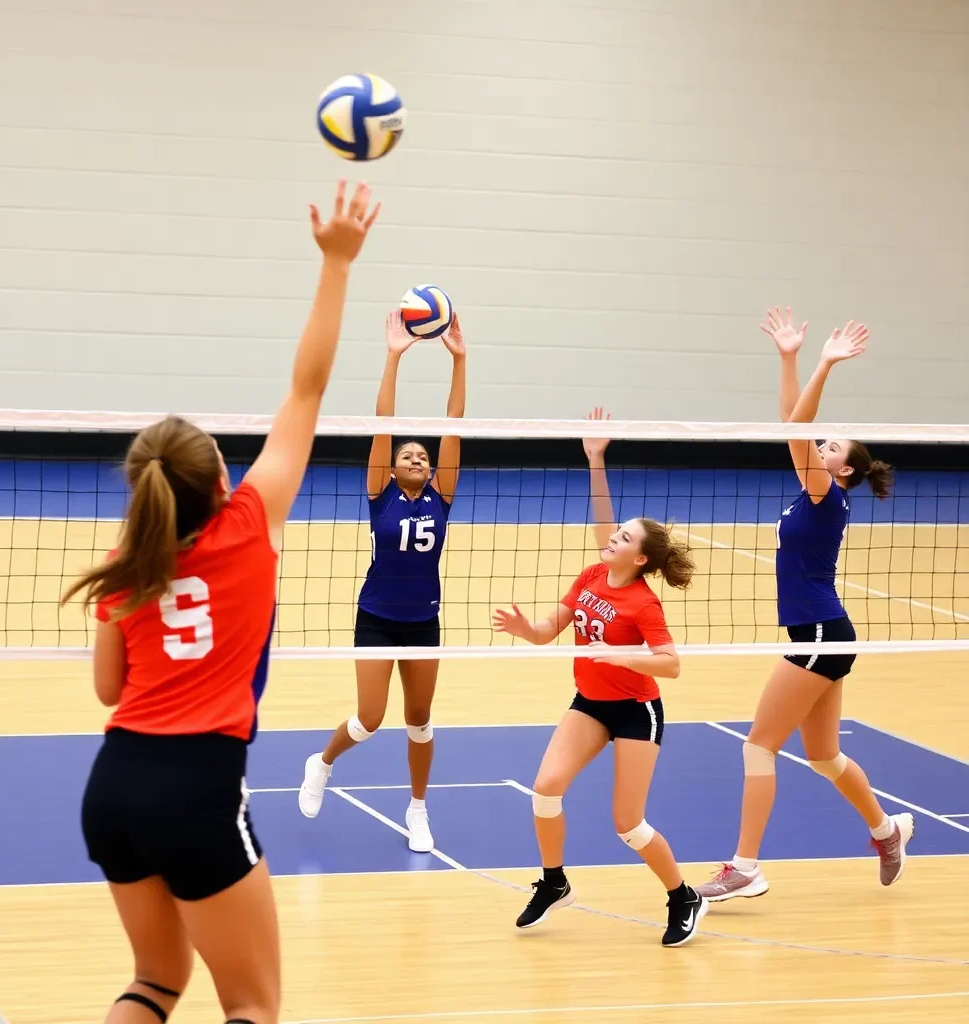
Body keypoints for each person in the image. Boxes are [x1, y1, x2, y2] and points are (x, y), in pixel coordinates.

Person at [62, 180, 379, 1024]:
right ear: (220, 481)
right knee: (251, 1007)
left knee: (153, 984)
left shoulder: (125, 563)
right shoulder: (251, 522)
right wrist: (338, 264)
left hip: (114, 786)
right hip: (198, 787)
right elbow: (307, 389)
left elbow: (107, 691)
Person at [696, 309, 908, 905]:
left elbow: (798, 425)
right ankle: (886, 831)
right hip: (826, 631)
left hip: (818, 632)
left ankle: (744, 867)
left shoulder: (826, 497)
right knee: (823, 753)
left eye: (830, 446)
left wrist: (822, 364)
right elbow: (792, 425)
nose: (820, 444)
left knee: (758, 744)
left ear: (843, 470)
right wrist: (789, 359)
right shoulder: (814, 491)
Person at [492, 408, 708, 947]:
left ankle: (683, 896)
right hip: (589, 702)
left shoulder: (642, 603)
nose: (611, 537)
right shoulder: (592, 574)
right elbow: (548, 632)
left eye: (623, 537)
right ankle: (553, 880)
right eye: (613, 532)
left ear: (639, 558)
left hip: (636, 710)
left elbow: (671, 665)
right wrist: (525, 628)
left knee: (628, 825)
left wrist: (620, 656)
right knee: (544, 789)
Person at [298, 309, 467, 853]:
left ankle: (417, 808)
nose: (417, 456)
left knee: (419, 720)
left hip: (425, 620)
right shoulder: (381, 495)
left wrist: (459, 361)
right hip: (376, 617)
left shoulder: (442, 497)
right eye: (407, 455)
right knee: (371, 718)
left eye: (423, 455)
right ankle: (321, 763)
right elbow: (383, 423)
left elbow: (454, 424)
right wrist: (393, 355)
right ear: (392, 468)